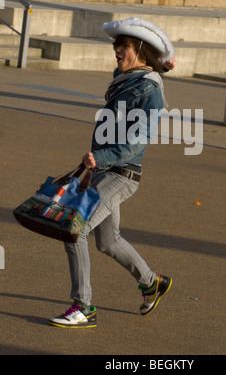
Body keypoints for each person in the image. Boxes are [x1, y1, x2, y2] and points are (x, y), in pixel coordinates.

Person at [48, 17, 176, 328]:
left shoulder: (149, 92)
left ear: (140, 50)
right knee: (107, 241)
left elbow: (138, 143)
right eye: (116, 44)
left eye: (124, 45)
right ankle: (152, 283)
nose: (117, 49)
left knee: (74, 231)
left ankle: (83, 307)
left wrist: (101, 157)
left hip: (122, 173)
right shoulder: (126, 79)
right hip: (105, 170)